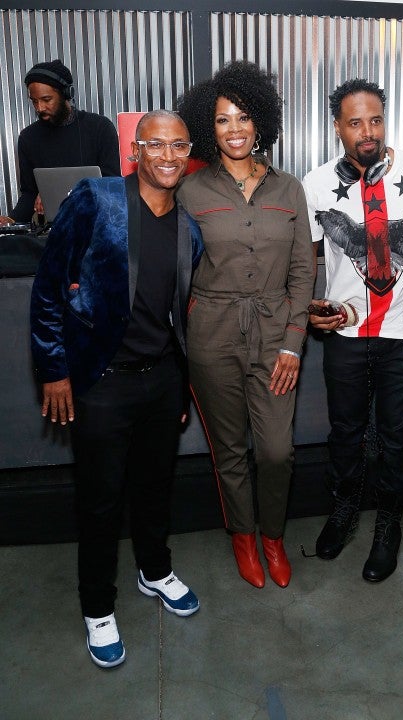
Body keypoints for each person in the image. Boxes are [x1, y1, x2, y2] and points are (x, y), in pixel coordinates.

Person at [30, 110, 203, 668]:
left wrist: (180, 388)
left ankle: (154, 570)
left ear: (189, 153)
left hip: (162, 379)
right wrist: (54, 370)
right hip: (102, 383)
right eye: (156, 145)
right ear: (136, 151)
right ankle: (98, 606)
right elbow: (48, 288)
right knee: (101, 501)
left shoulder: (190, 229)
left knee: (155, 487)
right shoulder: (97, 199)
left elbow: (176, 318)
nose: (168, 156)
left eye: (179, 146)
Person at [177, 61, 313, 589]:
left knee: (276, 451)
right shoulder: (190, 191)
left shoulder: (290, 189)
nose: (234, 129)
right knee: (229, 450)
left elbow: (302, 271)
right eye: (221, 119)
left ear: (261, 122)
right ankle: (243, 536)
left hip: (276, 333)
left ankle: (273, 536)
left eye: (243, 116)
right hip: (211, 334)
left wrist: (294, 343)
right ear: (207, 127)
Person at [302, 79, 403, 583]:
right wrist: (310, 308)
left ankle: (388, 524)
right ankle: (343, 510)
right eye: (355, 122)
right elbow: (306, 262)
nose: (368, 132)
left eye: (376, 120)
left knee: (396, 436)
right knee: (346, 432)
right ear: (337, 128)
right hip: (346, 334)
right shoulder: (316, 183)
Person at [0, 59, 120, 227]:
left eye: (46, 99)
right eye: (34, 101)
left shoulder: (100, 128)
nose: (39, 108)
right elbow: (29, 193)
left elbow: (112, 185)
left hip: (97, 226)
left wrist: (57, 193)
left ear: (66, 94)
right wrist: (11, 220)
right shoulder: (28, 137)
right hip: (55, 230)